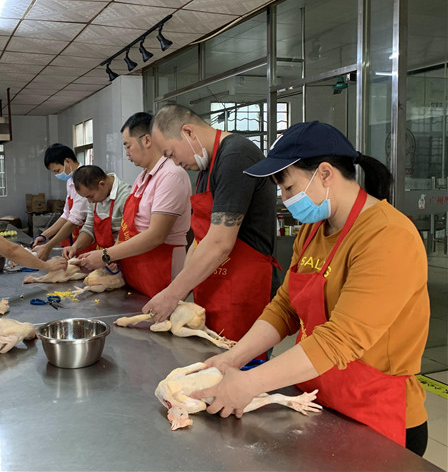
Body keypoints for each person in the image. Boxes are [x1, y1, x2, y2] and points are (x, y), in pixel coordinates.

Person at [191, 121, 430, 456]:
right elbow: (285, 307)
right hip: (319, 401)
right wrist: (233, 358)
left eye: (288, 187)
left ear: (326, 174)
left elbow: (340, 340)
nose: (285, 199)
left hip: (376, 419)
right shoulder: (313, 230)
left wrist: (249, 384)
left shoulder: (388, 237)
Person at [145, 104, 279, 345]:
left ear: (188, 132)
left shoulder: (235, 156)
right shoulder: (207, 166)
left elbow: (219, 242)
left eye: (171, 153)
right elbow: (200, 240)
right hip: (216, 286)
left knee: (239, 369)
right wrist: (181, 292)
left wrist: (172, 294)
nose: (175, 163)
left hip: (243, 289)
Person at [78, 113, 191, 297]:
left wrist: (107, 254)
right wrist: (115, 256)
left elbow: (156, 235)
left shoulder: (171, 175)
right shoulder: (142, 177)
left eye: (127, 146)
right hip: (138, 267)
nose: (127, 153)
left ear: (147, 140)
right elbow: (131, 227)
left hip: (161, 265)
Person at [32, 143, 89, 260]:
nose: (57, 175)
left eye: (57, 170)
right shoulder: (70, 180)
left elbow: (74, 220)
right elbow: (66, 214)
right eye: (54, 172)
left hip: (89, 239)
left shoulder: (85, 179)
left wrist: (48, 246)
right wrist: (44, 235)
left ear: (67, 161)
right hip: (77, 237)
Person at [62, 165, 131, 261]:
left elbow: (127, 236)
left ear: (101, 184)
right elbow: (89, 227)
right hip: (105, 258)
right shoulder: (95, 199)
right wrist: (74, 247)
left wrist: (106, 257)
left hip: (123, 257)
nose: (89, 201)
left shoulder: (126, 196)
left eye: (91, 196)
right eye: (86, 198)